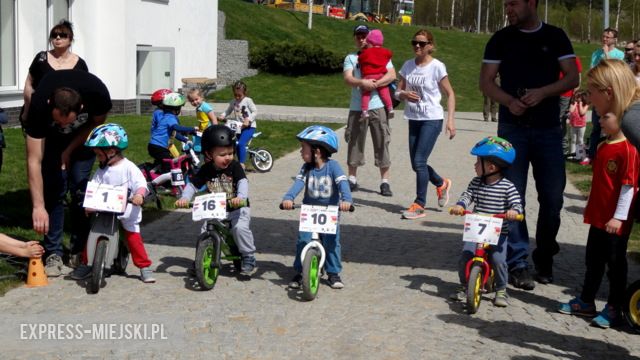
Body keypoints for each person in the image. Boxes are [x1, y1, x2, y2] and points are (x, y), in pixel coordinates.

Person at [479, 0, 579, 290]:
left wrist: (544, 92)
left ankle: (545, 255)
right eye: (506, 4)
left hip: (548, 129)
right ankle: (518, 262)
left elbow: (573, 76)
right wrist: (509, 100)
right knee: (512, 197)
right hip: (512, 129)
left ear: (532, 3)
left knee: (553, 198)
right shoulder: (500, 39)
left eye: (513, 3)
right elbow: (485, 82)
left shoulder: (555, 36)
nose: (508, 9)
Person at [559, 59, 640, 329]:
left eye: (592, 92)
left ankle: (616, 307)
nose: (589, 100)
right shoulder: (621, 126)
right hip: (599, 215)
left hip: (617, 218)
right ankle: (587, 300)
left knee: (616, 262)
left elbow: (629, 184)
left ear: (609, 92)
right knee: (594, 257)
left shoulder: (631, 121)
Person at [24, 70, 112, 277]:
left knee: (81, 190)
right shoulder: (38, 106)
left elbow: (96, 123)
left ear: (81, 108)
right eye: (59, 121)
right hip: (51, 142)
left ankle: (79, 249)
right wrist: (38, 206)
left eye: (68, 121)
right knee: (54, 189)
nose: (64, 125)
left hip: (83, 139)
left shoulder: (96, 92)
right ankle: (53, 253)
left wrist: (69, 149)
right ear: (49, 104)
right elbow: (33, 160)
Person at [71, 124, 156, 283]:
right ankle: (86, 262)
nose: (98, 158)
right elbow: (94, 187)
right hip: (105, 209)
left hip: (127, 210)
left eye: (99, 154)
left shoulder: (128, 167)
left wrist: (139, 195)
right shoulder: (101, 170)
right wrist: (89, 201)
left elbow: (141, 184)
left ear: (111, 151)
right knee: (93, 234)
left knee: (132, 237)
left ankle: (144, 266)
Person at [449, 136, 523, 307]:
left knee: (498, 259)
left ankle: (502, 289)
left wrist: (514, 212)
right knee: (466, 256)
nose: (475, 166)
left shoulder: (507, 187)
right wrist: (460, 205)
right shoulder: (476, 183)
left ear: (491, 167)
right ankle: (464, 285)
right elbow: (467, 196)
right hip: (476, 230)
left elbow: (516, 203)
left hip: (498, 232)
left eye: (478, 162)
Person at [175, 125, 257, 274]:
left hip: (237, 208)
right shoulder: (206, 169)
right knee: (204, 230)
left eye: (231, 153)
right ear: (209, 154)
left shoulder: (235, 166)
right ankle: (202, 258)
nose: (228, 157)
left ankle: (248, 255)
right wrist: (185, 197)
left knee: (239, 229)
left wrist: (241, 197)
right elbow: (192, 185)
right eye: (222, 154)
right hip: (217, 209)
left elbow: (242, 182)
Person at [281, 125, 352, 289]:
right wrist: (289, 198)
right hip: (309, 211)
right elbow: (298, 183)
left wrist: (346, 199)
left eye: (303, 148)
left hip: (330, 212)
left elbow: (343, 183)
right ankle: (300, 272)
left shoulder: (333, 167)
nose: (300, 152)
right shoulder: (306, 168)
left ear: (317, 151)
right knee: (303, 241)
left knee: (332, 242)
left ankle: (333, 272)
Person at [395, 29, 456, 220]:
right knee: (416, 164)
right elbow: (397, 92)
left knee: (420, 161)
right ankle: (441, 183)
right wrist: (403, 94)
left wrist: (450, 120)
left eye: (422, 43)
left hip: (432, 118)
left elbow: (450, 94)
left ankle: (420, 204)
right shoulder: (407, 66)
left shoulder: (437, 66)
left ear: (430, 46)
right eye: (414, 43)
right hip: (414, 118)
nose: (417, 46)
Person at [343, 24, 396, 197]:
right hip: (357, 107)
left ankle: (385, 182)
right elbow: (348, 78)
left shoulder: (381, 54)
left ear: (370, 36)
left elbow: (392, 75)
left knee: (382, 141)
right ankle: (352, 178)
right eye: (358, 35)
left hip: (378, 105)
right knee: (355, 142)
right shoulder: (351, 57)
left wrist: (375, 84)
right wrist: (362, 83)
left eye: (364, 35)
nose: (361, 38)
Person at [22, 20, 88, 125]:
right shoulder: (41, 58)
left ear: (70, 40)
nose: (57, 38)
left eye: (62, 35)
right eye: (54, 35)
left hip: (68, 118)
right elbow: (29, 84)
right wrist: (27, 110)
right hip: (40, 114)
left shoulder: (80, 64)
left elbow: (84, 92)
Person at [584, 28, 625, 166]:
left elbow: (613, 71)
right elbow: (592, 70)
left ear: (615, 39)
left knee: (612, 126)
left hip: (612, 94)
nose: (605, 39)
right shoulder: (596, 53)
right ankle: (592, 155)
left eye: (608, 37)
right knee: (596, 126)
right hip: (598, 92)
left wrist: (607, 55)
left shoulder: (619, 54)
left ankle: (611, 154)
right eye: (604, 36)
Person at [147, 92, 196, 173]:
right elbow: (176, 127)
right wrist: (192, 129)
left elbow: (174, 133)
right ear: (176, 109)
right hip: (158, 148)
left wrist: (185, 140)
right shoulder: (170, 117)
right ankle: (156, 184)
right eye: (180, 107)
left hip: (156, 147)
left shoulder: (167, 116)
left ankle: (153, 172)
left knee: (166, 163)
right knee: (170, 167)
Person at [218, 81, 257, 168]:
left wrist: (249, 120)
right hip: (239, 127)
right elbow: (228, 110)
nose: (237, 97)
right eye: (235, 95)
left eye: (240, 95)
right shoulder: (233, 102)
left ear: (244, 93)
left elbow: (255, 111)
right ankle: (235, 162)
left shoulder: (248, 100)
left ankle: (242, 164)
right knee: (234, 144)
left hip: (249, 127)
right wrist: (222, 115)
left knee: (241, 144)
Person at [358, 29, 394, 119]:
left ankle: (364, 111)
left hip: (369, 76)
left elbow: (360, 59)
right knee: (385, 92)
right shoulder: (385, 51)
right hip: (381, 75)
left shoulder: (366, 52)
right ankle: (390, 107)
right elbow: (390, 54)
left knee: (365, 93)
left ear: (370, 42)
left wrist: (362, 54)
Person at [559, 57, 583, 154]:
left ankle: (563, 147)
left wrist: (575, 91)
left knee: (560, 119)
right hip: (551, 92)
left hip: (566, 93)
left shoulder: (573, 58)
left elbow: (578, 76)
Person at [567, 91, 589, 158]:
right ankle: (572, 154)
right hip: (573, 125)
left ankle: (580, 155)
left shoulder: (585, 105)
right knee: (573, 140)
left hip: (581, 126)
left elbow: (582, 112)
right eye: (576, 97)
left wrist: (580, 104)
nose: (577, 98)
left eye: (578, 97)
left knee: (580, 140)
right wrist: (575, 103)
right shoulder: (573, 103)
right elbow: (571, 111)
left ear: (582, 98)